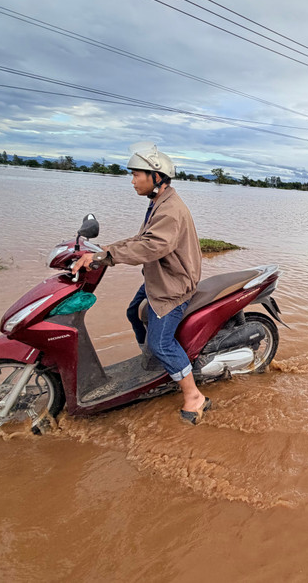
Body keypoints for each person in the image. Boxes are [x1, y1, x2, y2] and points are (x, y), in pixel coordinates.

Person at [71, 143, 208, 425]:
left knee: (160, 342)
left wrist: (105, 256)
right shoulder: (159, 203)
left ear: (155, 176)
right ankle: (158, 366)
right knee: (133, 312)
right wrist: (101, 251)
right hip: (158, 278)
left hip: (172, 286)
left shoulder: (169, 210)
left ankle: (194, 396)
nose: (132, 181)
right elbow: (139, 240)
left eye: (136, 175)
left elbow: (150, 248)